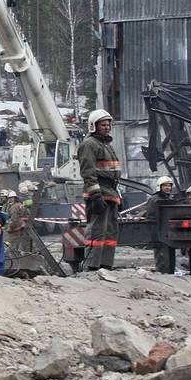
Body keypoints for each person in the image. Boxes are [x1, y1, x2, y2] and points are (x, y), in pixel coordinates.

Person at [77, 108, 121, 271]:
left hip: (110, 193)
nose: (107, 127)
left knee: (110, 233)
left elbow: (112, 174)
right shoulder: (89, 144)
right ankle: (92, 266)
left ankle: (105, 264)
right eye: (103, 124)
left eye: (108, 124)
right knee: (96, 231)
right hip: (99, 194)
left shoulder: (105, 144)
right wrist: (96, 196)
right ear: (93, 126)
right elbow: (88, 172)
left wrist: (118, 197)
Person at [146, 176, 176, 273]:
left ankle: (171, 273)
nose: (168, 188)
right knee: (161, 255)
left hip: (170, 232)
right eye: (165, 186)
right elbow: (150, 218)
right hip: (159, 232)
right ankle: (162, 274)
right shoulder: (154, 200)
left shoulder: (171, 199)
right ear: (160, 187)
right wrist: (155, 236)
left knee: (171, 255)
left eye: (169, 186)